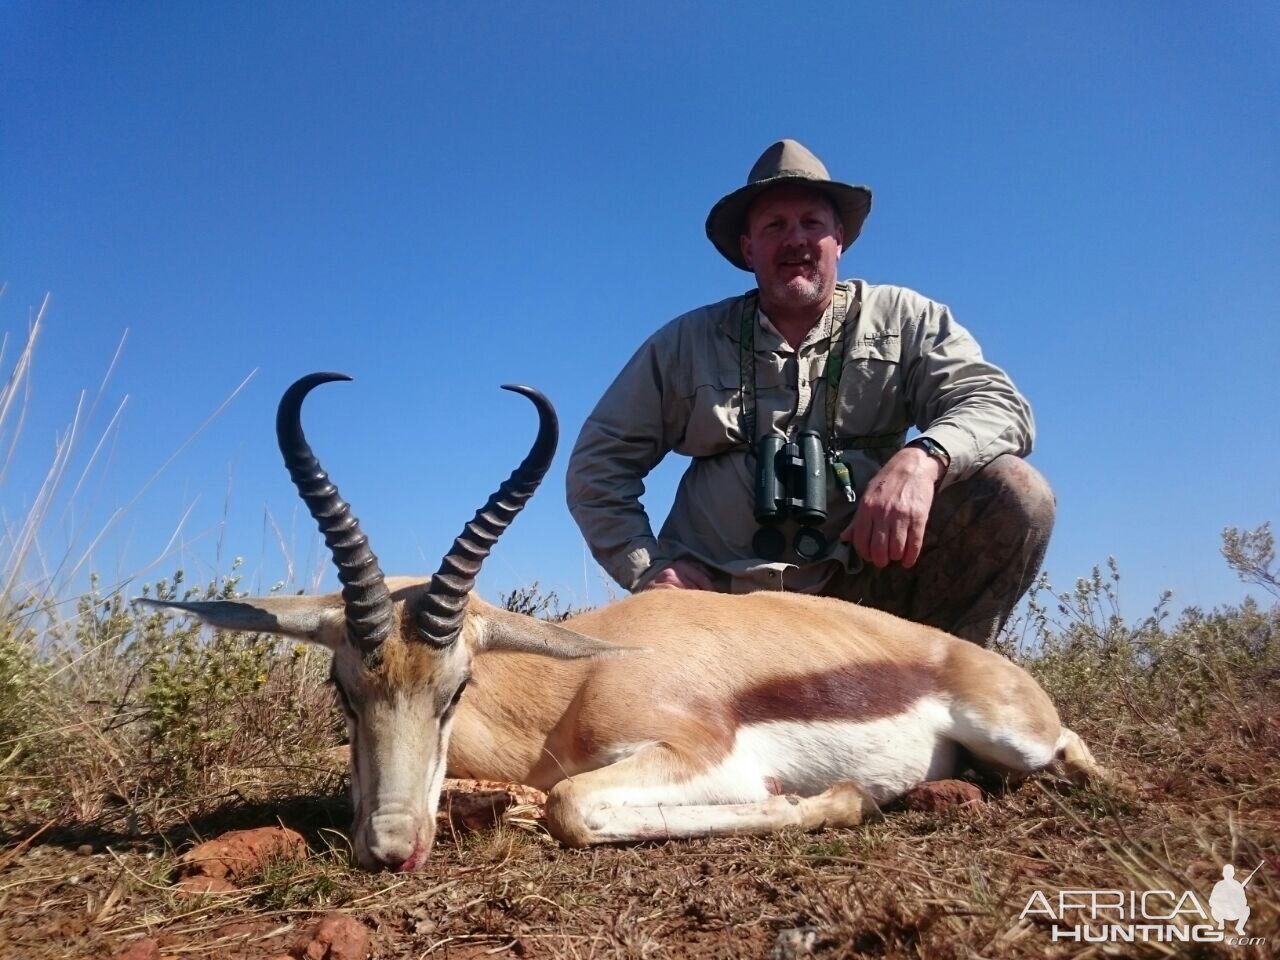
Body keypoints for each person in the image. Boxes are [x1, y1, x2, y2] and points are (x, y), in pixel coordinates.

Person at [566, 139, 1054, 646]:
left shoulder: (906, 318)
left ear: (839, 238)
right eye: (774, 226)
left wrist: (924, 458)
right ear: (748, 248)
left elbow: (998, 405)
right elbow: (597, 465)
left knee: (1017, 491)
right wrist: (650, 571)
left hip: (866, 603)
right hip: (715, 610)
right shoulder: (686, 342)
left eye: (811, 224)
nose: (794, 240)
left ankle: (946, 695)